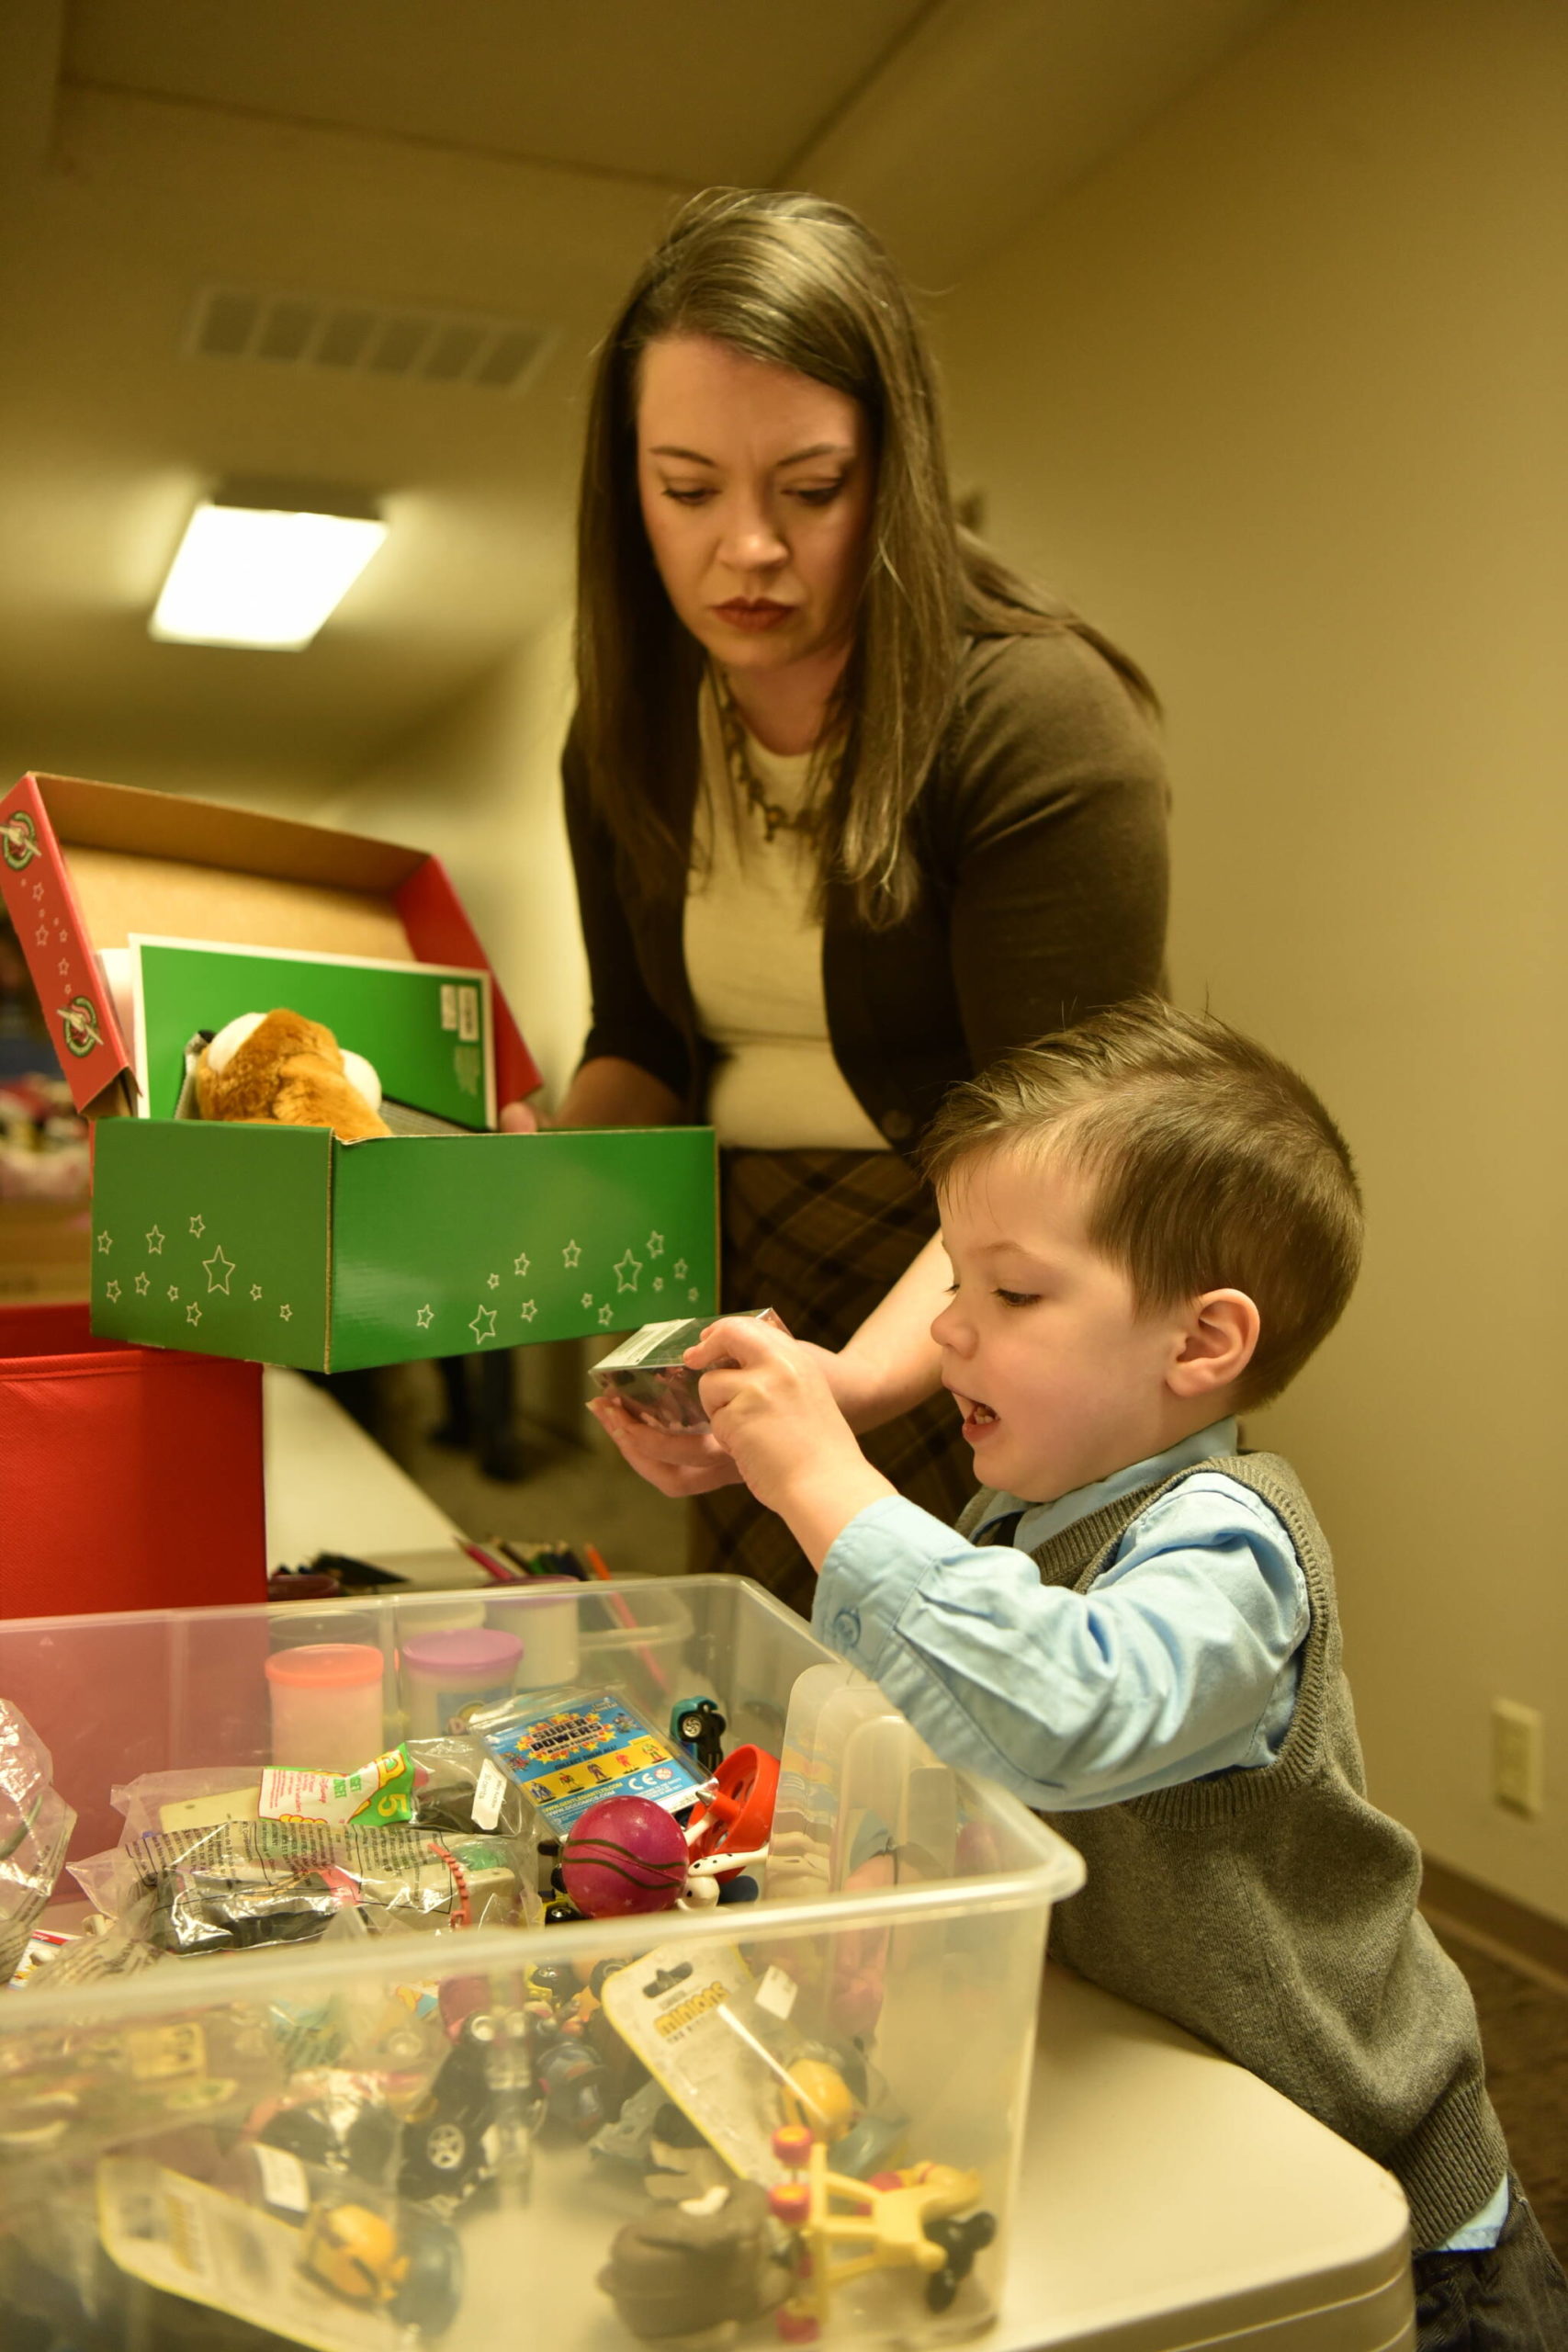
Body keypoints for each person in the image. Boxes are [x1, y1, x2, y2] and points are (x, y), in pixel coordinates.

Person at [683, 1000, 1568, 2347]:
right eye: (953, 1291)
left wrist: (823, 1480)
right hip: (1165, 2085)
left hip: (1364, 2170)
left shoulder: (1232, 1546)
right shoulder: (1022, 1515)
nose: (957, 1337)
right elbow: (955, 1721)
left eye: (1014, 1294)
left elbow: (1072, 1711)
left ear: (1203, 1344)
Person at [502, 187, 1169, 1614]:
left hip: (993, 1298)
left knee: (989, 1750)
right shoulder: (623, 730)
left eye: (809, 490)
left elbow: (1062, 1144)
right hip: (764, 1282)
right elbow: (643, 1043)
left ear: (893, 475)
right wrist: (545, 1192)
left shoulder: (1037, 719)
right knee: (779, 1763)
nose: (747, 547)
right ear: (627, 485)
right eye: (688, 490)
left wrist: (853, 1384)